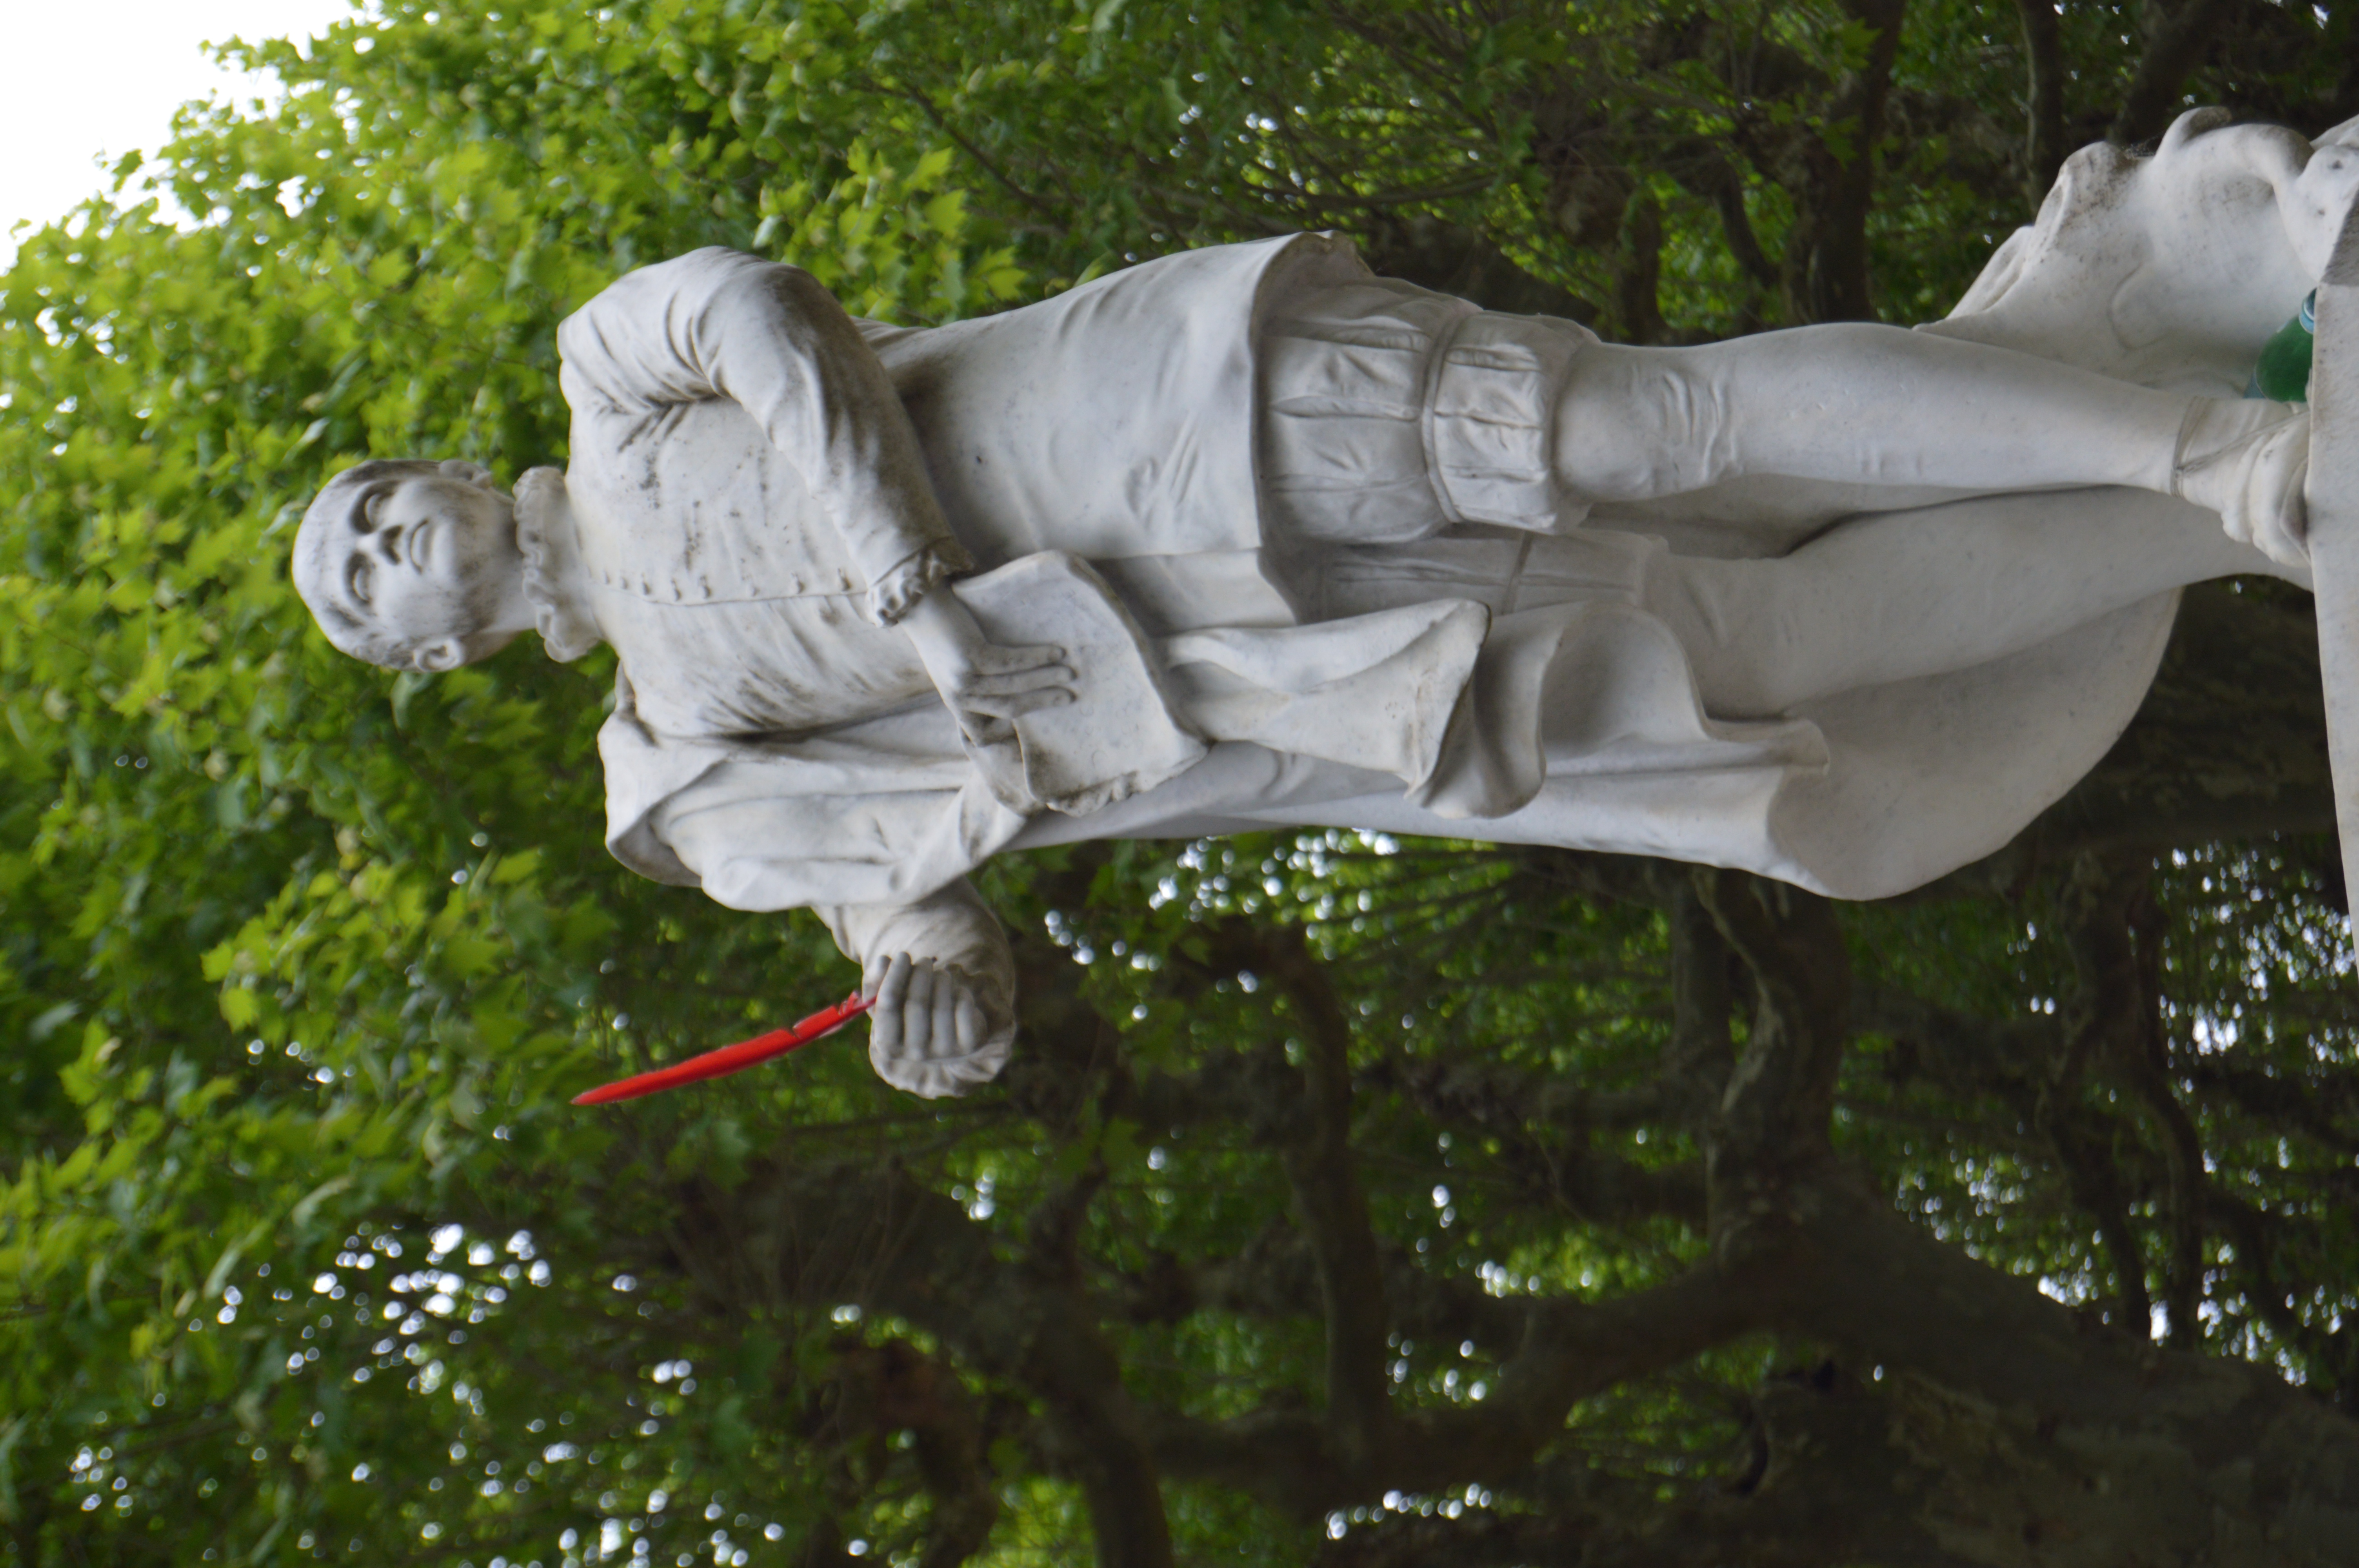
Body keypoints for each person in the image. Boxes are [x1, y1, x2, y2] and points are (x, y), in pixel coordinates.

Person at [291, 109, 2344, 1098]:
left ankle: (2216, 451)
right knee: (1755, 662)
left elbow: (762, 314)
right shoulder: (686, 786)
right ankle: (2249, 526)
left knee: (1654, 428)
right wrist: (936, 986)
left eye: (377, 509)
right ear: (434, 659)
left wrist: (909, 585)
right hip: (1275, 683)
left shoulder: (608, 379)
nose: (390, 546)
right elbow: (896, 863)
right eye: (369, 586)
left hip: (1201, 421)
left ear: (450, 473)